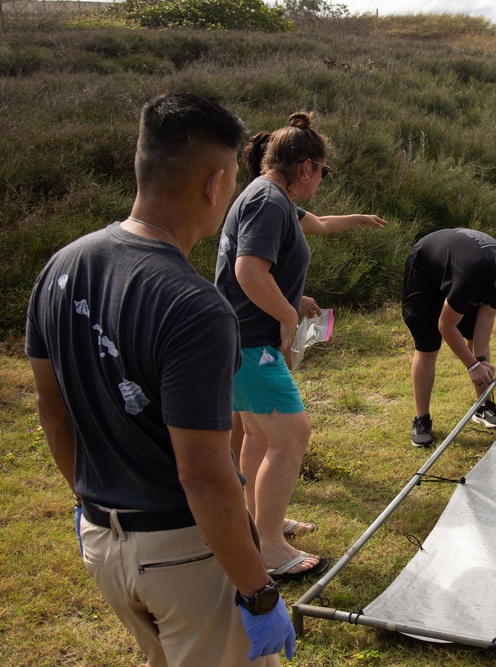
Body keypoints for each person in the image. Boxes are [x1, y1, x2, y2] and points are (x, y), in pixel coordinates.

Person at [26, 93, 294, 666]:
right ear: (214, 183)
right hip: (184, 556)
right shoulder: (195, 306)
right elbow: (204, 473)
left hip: (103, 544)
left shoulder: (59, 268)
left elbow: (53, 412)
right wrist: (258, 590)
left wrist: (89, 501)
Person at [215, 111, 386, 581]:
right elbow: (248, 271)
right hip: (253, 345)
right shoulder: (269, 202)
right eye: (323, 172)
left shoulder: (270, 198)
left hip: (240, 340)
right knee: (292, 438)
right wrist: (287, 316)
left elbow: (278, 260)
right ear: (307, 166)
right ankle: (269, 547)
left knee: (260, 435)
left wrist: (293, 296)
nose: (321, 181)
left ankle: (260, 522)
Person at [402, 227, 496, 447]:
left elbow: (486, 318)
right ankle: (421, 420)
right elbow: (446, 325)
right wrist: (471, 365)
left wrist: (481, 361)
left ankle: (484, 407)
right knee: (428, 346)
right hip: (425, 270)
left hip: (461, 267)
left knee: (475, 341)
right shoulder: (468, 277)